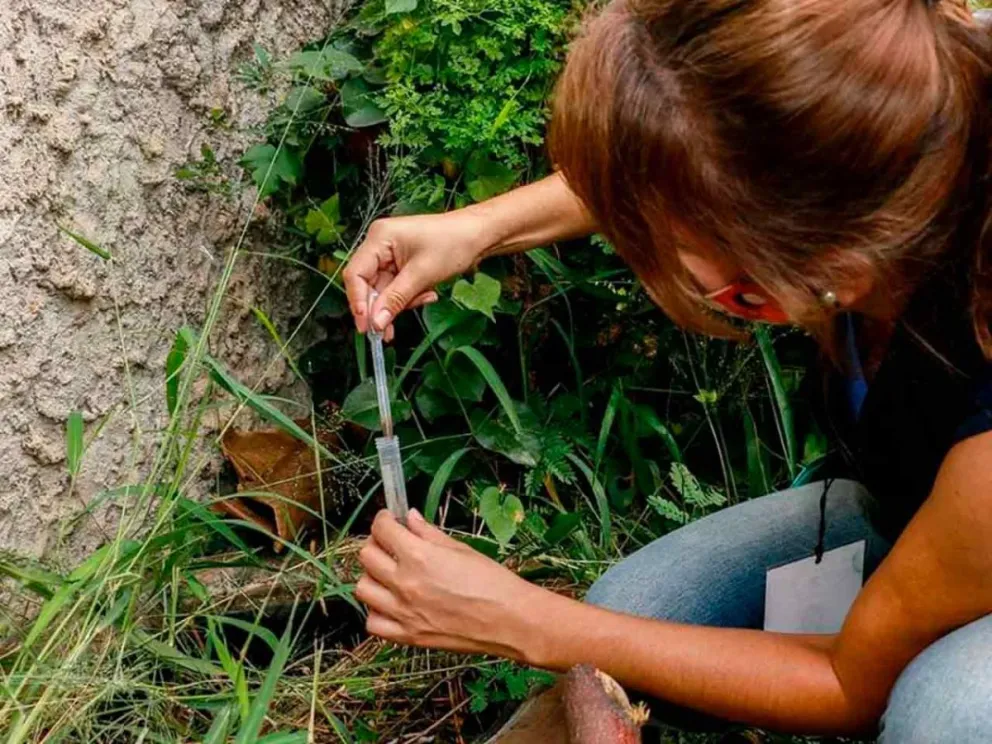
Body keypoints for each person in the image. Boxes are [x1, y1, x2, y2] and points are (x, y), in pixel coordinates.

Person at [343, 0, 992, 740]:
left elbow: (848, 682)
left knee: (945, 710)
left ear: (799, 263)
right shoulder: (921, 95)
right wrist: (479, 228)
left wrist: (530, 621)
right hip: (922, 520)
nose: (640, 243)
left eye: (666, 243)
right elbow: (695, 155)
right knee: (639, 608)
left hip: (974, 528)